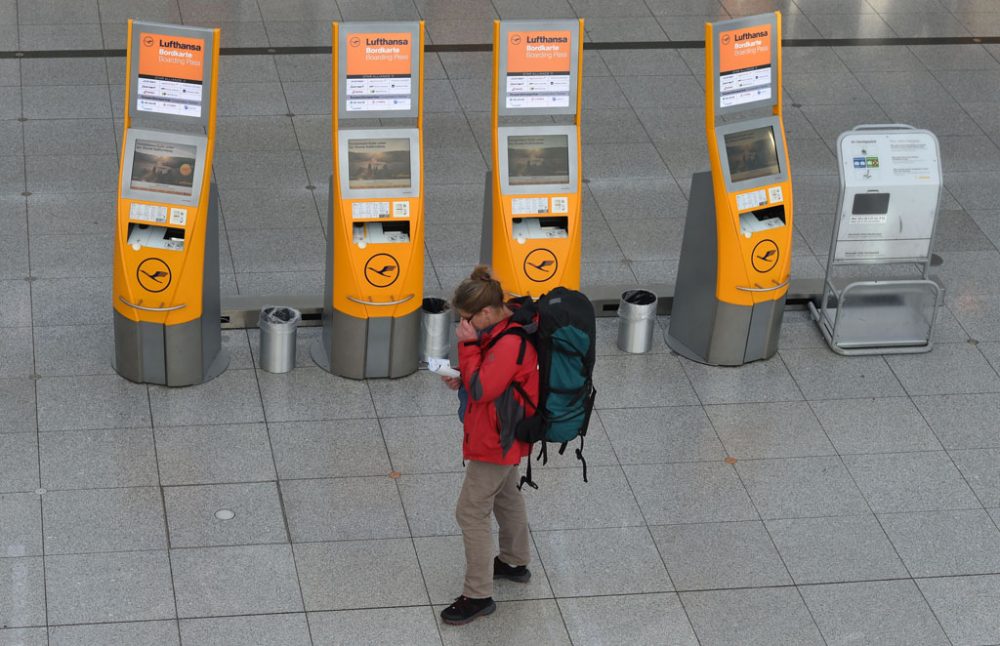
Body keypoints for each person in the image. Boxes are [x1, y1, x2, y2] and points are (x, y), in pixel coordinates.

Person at [439, 265, 538, 626]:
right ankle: (514, 561)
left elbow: (483, 389)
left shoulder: (511, 341)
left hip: (497, 438)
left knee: (470, 511)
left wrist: (466, 349)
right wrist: (463, 373)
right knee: (506, 494)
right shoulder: (500, 328)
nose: (463, 326)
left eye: (466, 320)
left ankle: (477, 595)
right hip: (504, 429)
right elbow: (485, 377)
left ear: (484, 312)